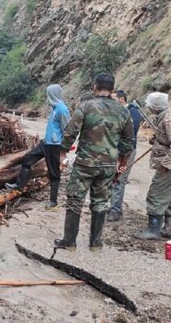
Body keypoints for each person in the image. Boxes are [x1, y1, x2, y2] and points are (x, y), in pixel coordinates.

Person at [54, 73, 134, 252]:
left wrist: (62, 154)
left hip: (84, 164)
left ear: (94, 87)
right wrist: (122, 163)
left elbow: (70, 133)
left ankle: (69, 242)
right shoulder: (123, 111)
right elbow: (128, 142)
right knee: (100, 202)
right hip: (107, 165)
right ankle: (95, 243)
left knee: (75, 200)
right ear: (112, 89)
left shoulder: (86, 106)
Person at [5, 84, 70, 210]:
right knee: (28, 159)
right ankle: (19, 185)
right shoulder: (53, 107)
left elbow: (67, 130)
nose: (47, 97)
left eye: (49, 94)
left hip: (55, 146)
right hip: (45, 143)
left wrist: (64, 149)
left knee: (54, 173)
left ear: (54, 94)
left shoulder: (62, 109)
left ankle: (53, 201)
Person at [135, 92, 171, 240]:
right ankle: (169, 230)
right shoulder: (164, 117)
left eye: (149, 104)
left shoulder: (168, 120)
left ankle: (153, 230)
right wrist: (156, 140)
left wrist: (165, 165)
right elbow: (168, 140)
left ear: (155, 106)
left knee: (156, 195)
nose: (148, 107)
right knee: (169, 198)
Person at [107, 90, 142, 222]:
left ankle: (115, 210)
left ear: (121, 99)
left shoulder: (132, 112)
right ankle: (114, 207)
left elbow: (130, 135)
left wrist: (123, 157)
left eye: (113, 98)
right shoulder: (118, 112)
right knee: (112, 178)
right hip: (116, 150)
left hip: (126, 151)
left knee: (119, 179)